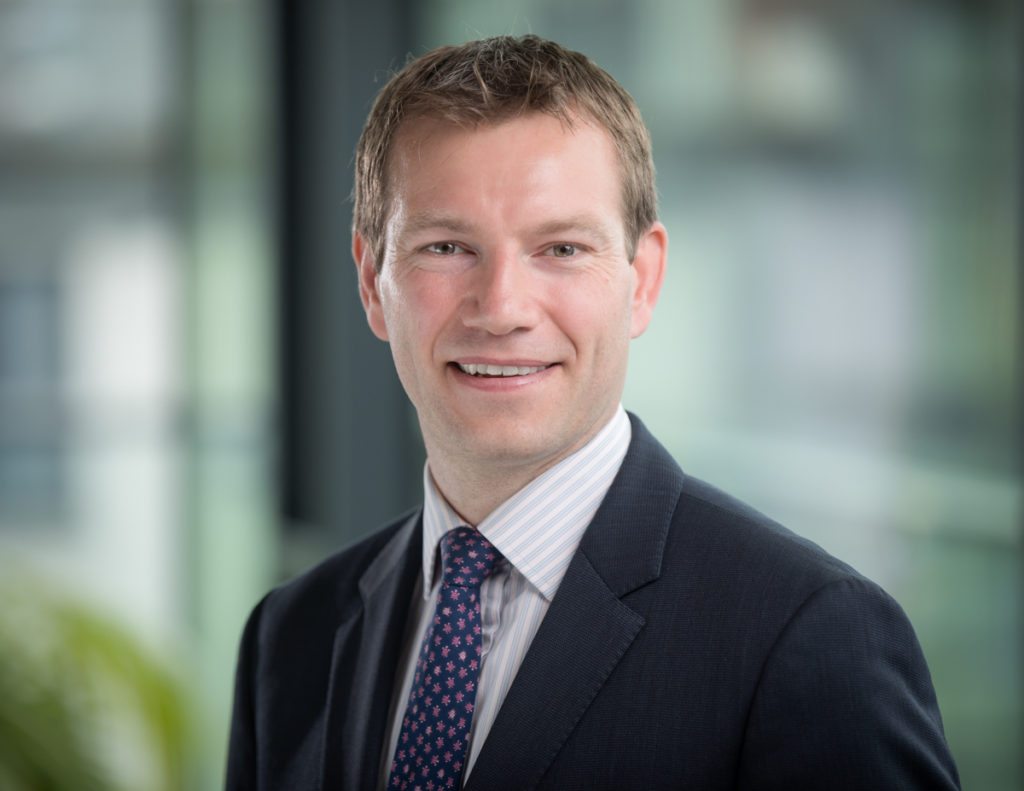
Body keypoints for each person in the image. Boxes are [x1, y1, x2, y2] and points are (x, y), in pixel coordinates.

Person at [226, 35, 960, 791]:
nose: (502, 308)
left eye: (562, 249)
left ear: (641, 281)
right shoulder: (291, 637)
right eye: (447, 246)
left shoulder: (808, 636)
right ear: (373, 284)